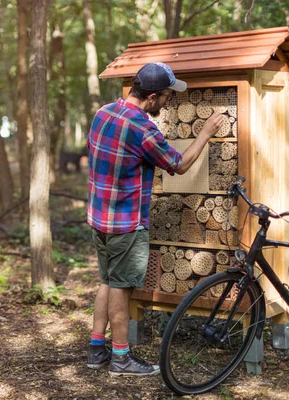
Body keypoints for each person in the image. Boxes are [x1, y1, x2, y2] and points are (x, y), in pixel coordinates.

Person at [85, 62, 223, 377]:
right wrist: (204, 134)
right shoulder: (143, 128)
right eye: (165, 96)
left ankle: (96, 349)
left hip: (99, 218)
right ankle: (121, 359)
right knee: (122, 288)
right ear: (151, 97)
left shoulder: (103, 113)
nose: (168, 102)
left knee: (107, 280)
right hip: (126, 224)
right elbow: (179, 164)